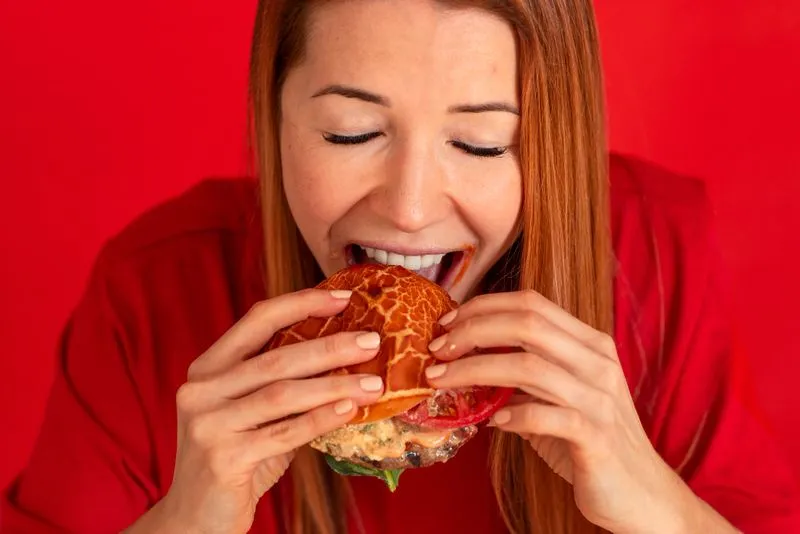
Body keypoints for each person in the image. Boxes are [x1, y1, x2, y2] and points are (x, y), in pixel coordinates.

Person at [2, 0, 799, 533]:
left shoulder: (657, 252)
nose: (411, 208)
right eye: (350, 133)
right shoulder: (154, 290)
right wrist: (182, 520)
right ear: (273, 114)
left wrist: (660, 506)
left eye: (482, 143)